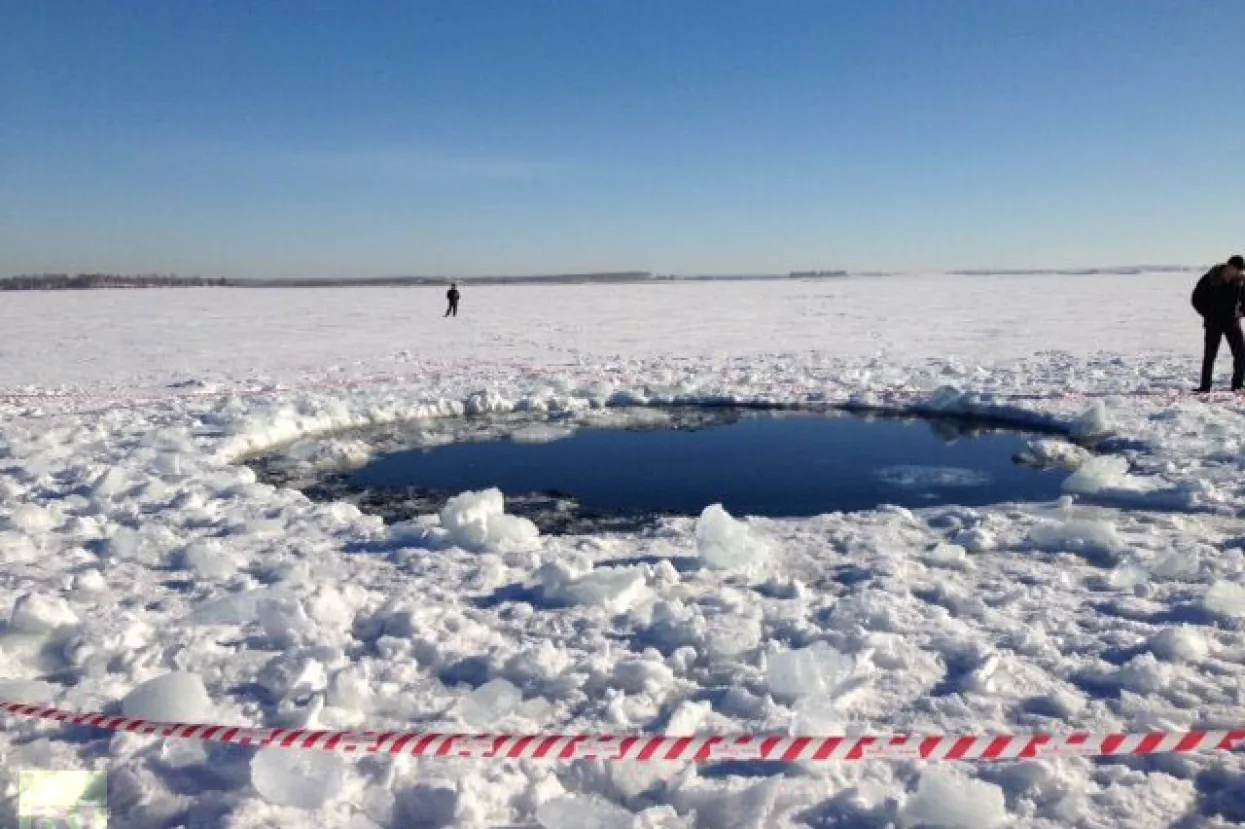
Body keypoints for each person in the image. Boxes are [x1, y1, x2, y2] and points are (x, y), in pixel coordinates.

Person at [1191, 255, 1245, 392]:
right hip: (1213, 323)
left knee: (1240, 354)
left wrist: (1242, 312)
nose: (1239, 273)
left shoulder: (1241, 281)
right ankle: (1205, 386)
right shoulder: (1211, 277)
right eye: (1237, 270)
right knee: (1210, 356)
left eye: (1241, 271)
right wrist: (1208, 314)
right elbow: (1196, 298)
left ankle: (1237, 385)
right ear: (1229, 267)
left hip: (1232, 322)